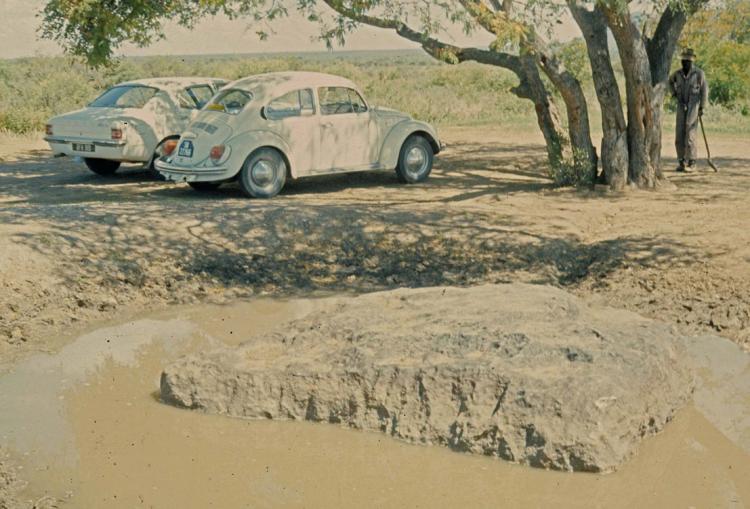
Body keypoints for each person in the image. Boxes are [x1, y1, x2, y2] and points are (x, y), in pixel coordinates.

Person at [669, 48, 709, 172]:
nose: (685, 63)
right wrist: (673, 93)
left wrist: (702, 107)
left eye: (688, 61)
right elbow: (670, 82)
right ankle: (681, 162)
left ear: (692, 61)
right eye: (684, 60)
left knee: (690, 134)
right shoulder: (677, 74)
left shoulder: (699, 74)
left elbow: (704, 91)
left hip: (694, 107)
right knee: (679, 134)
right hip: (681, 106)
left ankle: (692, 162)